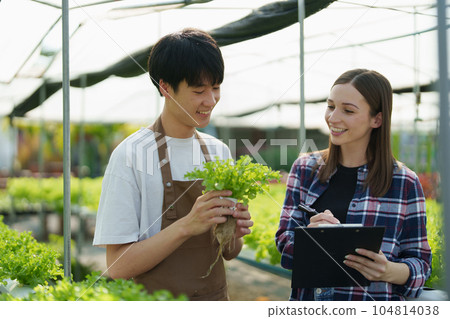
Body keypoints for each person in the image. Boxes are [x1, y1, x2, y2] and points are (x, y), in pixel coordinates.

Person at [93, 28, 253, 301]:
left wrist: (234, 234)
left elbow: (229, 253)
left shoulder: (218, 152)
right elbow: (117, 265)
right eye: (199, 90)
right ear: (165, 87)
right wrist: (188, 225)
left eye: (215, 88)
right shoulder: (131, 155)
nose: (210, 101)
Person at [275, 69, 431, 301]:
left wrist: (389, 270)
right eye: (330, 106)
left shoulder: (405, 182)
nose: (333, 118)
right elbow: (284, 243)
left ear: (376, 119)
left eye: (347, 110)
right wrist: (310, 237)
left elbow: (420, 263)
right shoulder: (305, 169)